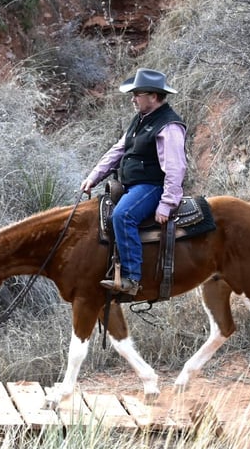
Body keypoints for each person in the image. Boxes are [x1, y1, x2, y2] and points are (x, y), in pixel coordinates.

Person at [80, 68, 187, 296]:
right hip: (134, 186)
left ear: (154, 97)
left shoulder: (169, 125)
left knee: (123, 215)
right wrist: (93, 177)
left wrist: (167, 203)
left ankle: (131, 278)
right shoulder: (140, 120)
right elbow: (118, 150)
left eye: (137, 94)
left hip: (151, 187)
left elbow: (176, 168)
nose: (133, 98)